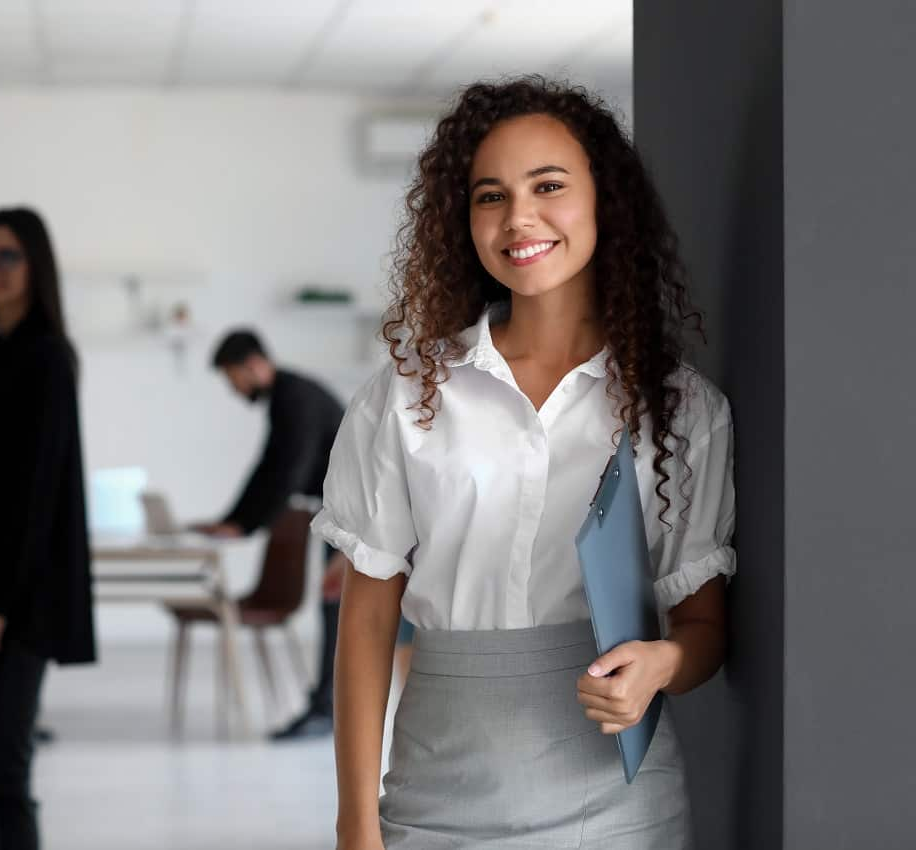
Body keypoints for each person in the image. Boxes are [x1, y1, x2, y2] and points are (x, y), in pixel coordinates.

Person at [320, 78, 736, 850]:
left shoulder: (683, 410)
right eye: (490, 196)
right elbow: (369, 616)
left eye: (549, 186)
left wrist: (663, 663)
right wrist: (355, 823)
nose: (519, 219)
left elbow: (706, 624)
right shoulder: (409, 393)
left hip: (618, 805)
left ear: (604, 201)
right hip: (430, 794)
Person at [0, 207, 95, 850]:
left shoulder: (45, 354)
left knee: (4, 774)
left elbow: (37, 492)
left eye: (6, 256)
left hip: (12, 598)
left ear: (35, 266)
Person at [196, 330, 345, 740]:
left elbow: (287, 475)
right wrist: (235, 522)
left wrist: (244, 525)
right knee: (334, 612)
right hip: (341, 510)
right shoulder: (286, 397)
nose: (233, 388)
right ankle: (326, 707)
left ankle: (328, 711)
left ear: (255, 365)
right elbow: (269, 468)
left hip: (355, 512)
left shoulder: (294, 399)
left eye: (233, 378)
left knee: (338, 613)